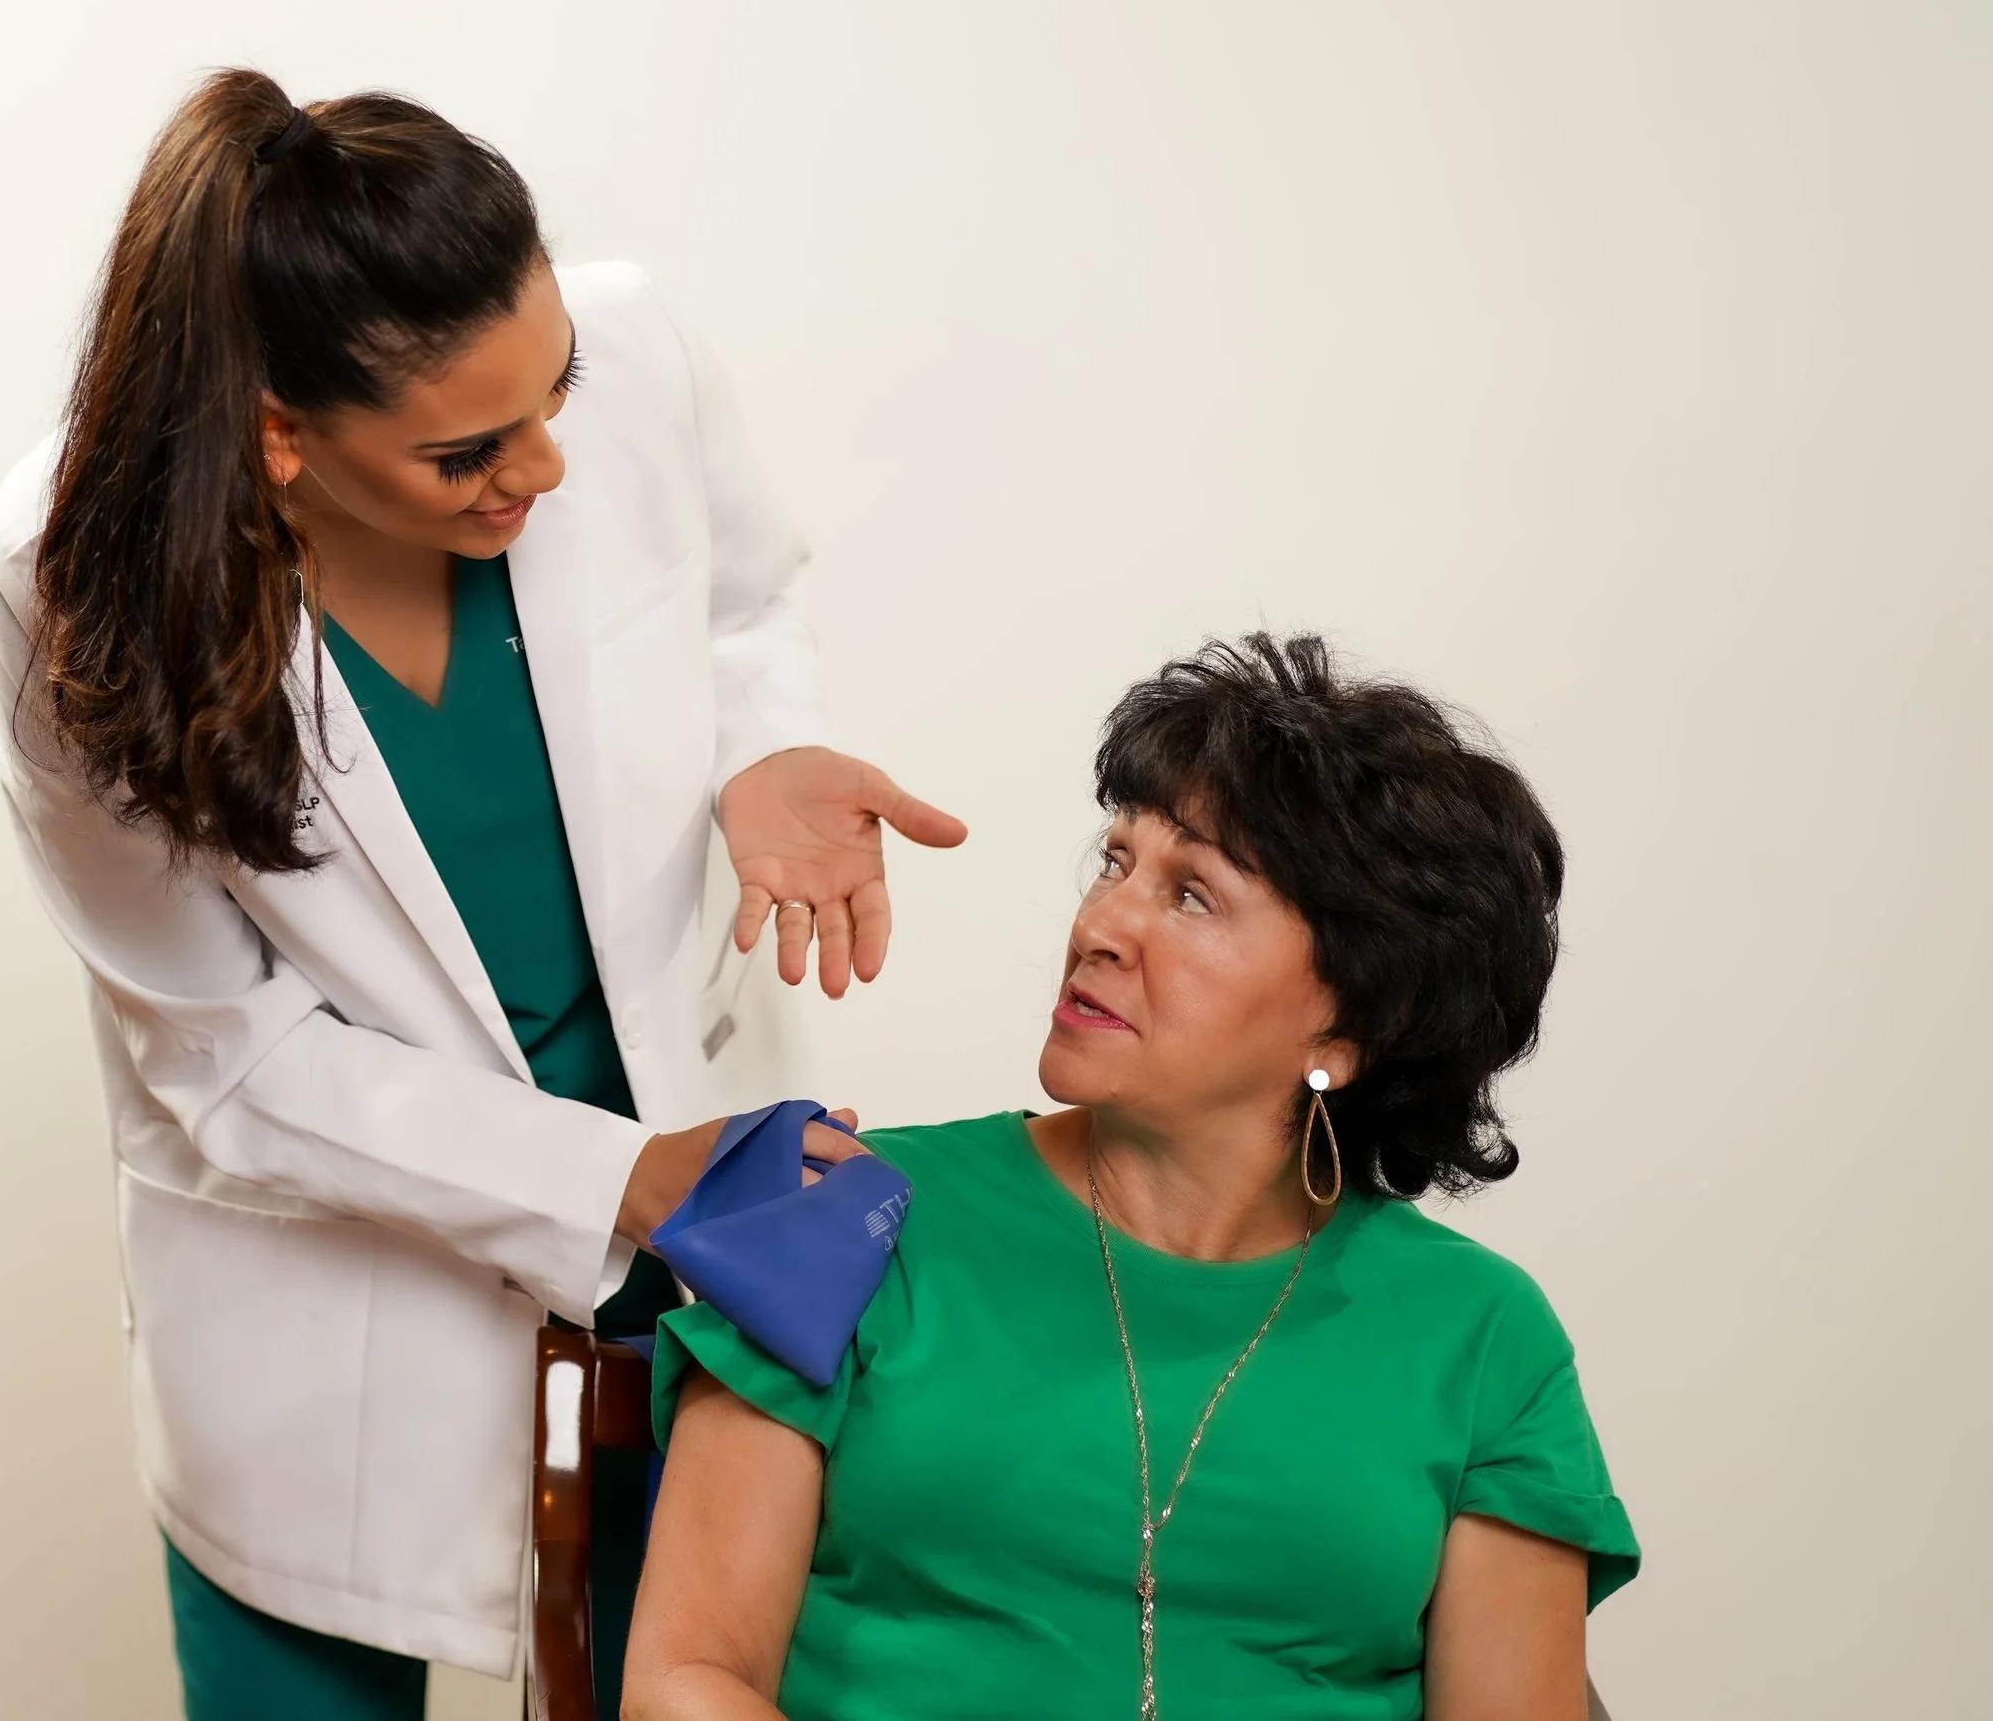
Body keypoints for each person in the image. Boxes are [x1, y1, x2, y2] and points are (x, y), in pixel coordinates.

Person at [0, 68, 964, 1718]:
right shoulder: (68, 570)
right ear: (282, 436)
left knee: (695, 1661)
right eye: (467, 453)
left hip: (698, 1210)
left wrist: (762, 751)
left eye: (556, 390)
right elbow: (229, 1054)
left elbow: (737, 598)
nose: (550, 466)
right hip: (329, 1283)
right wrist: (618, 1176)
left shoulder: (632, 348)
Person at [629, 635, 1638, 1721]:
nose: (1100, 926)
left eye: (1192, 894)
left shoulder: (1480, 1338)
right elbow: (686, 1682)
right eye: (1115, 863)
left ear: (1354, 1020)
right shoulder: (847, 1214)